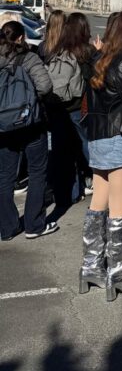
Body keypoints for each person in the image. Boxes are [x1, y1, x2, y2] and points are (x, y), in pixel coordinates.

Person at [83, 12, 122, 300]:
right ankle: (116, 273)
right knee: (119, 206)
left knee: (98, 203)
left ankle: (90, 266)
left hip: (97, 138)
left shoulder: (99, 59)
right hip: (120, 139)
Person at [0, 21, 56, 240]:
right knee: (37, 172)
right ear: (21, 38)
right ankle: (34, 224)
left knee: (4, 176)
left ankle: (7, 227)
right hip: (31, 122)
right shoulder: (30, 58)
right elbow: (45, 86)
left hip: (3, 127)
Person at [45, 12, 95, 205]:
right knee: (85, 145)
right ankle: (97, 179)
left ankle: (70, 192)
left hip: (59, 106)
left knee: (64, 151)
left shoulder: (59, 50)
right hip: (80, 108)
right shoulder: (87, 51)